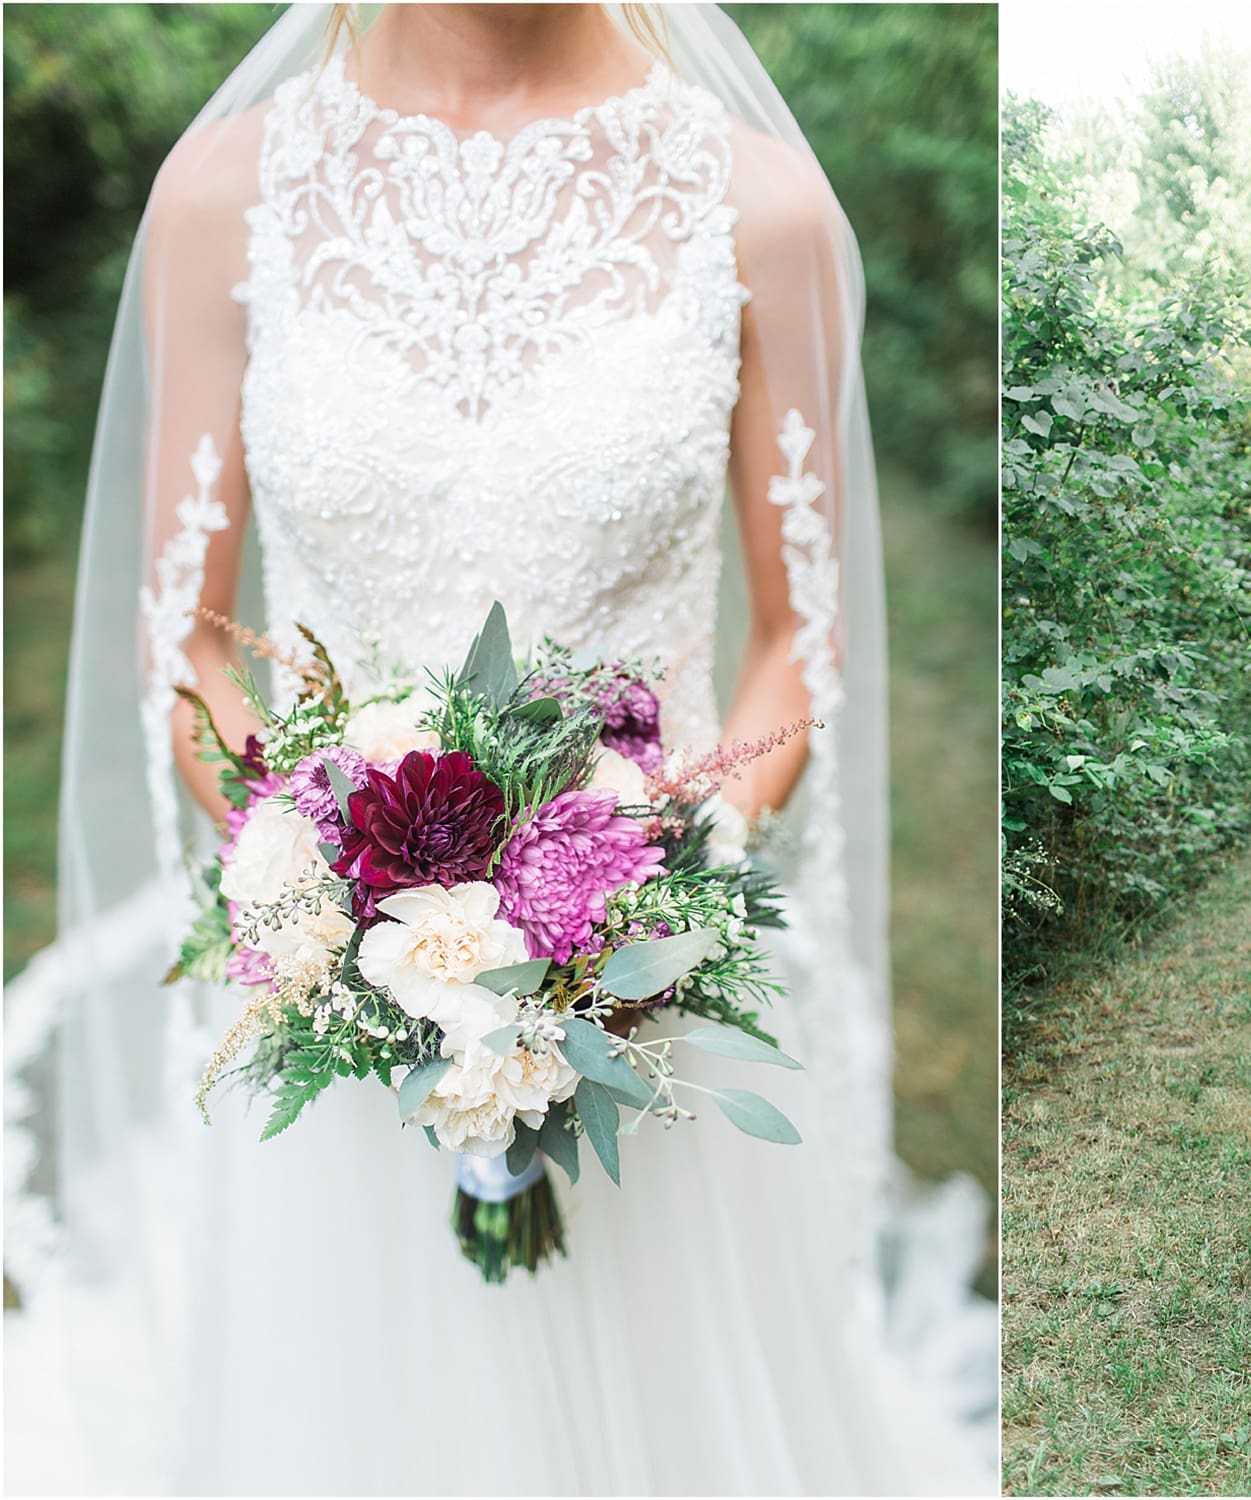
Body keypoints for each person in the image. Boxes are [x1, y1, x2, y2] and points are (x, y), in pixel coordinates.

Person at [1, 5, 993, 1492]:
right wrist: (321, 893)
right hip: (335, 1019)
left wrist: (651, 883)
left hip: (642, 984)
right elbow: (190, 639)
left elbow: (804, 639)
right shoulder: (224, 198)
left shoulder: (762, 211)